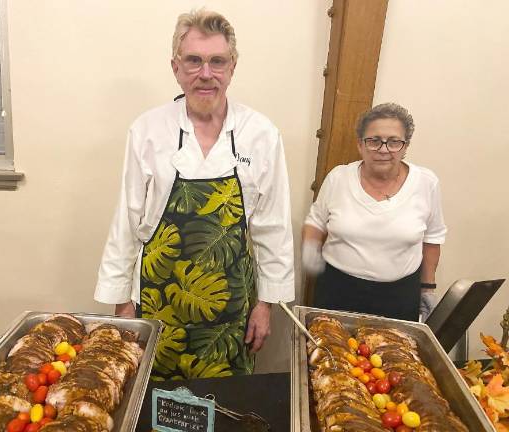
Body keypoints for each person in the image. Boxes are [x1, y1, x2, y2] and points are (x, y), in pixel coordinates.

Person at [94, 9, 294, 380]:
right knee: (153, 400)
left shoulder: (261, 134)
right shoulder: (148, 130)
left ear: (232, 66)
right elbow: (127, 220)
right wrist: (122, 304)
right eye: (194, 61)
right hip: (156, 301)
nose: (206, 73)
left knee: (226, 403)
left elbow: (273, 227)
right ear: (176, 67)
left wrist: (265, 305)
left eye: (217, 61)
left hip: (230, 308)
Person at [302, 103, 446, 321]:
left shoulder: (426, 183)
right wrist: (310, 248)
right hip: (337, 291)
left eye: (394, 142)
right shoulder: (338, 178)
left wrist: (427, 288)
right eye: (374, 141)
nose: (384, 149)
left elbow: (432, 237)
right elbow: (316, 222)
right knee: (331, 353)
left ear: (405, 146)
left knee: (392, 355)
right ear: (360, 145)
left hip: (399, 297)